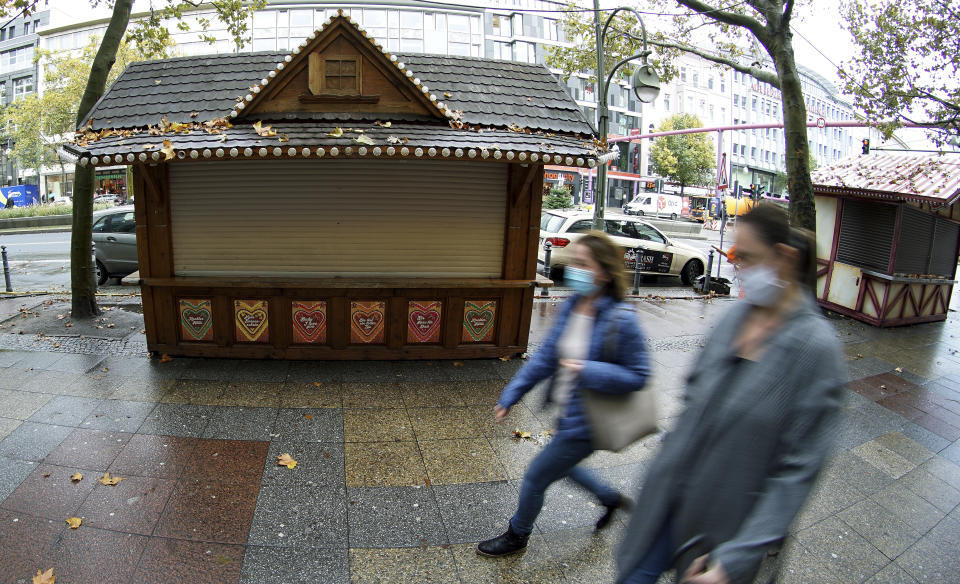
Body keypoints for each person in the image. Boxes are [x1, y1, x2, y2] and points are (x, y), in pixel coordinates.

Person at [616, 204, 845, 584]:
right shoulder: (734, 318)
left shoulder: (816, 350)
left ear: (785, 258)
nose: (740, 270)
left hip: (722, 539)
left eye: (750, 258)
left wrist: (733, 562)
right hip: (664, 506)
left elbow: (798, 472)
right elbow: (693, 400)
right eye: (737, 258)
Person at [477, 231, 650, 557]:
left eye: (583, 264)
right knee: (562, 464)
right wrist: (511, 394)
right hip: (569, 410)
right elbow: (546, 357)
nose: (575, 269)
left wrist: (588, 369)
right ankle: (608, 497)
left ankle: (517, 535)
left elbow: (639, 375)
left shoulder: (622, 319)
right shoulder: (573, 306)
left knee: (535, 476)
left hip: (591, 420)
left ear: (605, 273)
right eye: (574, 262)